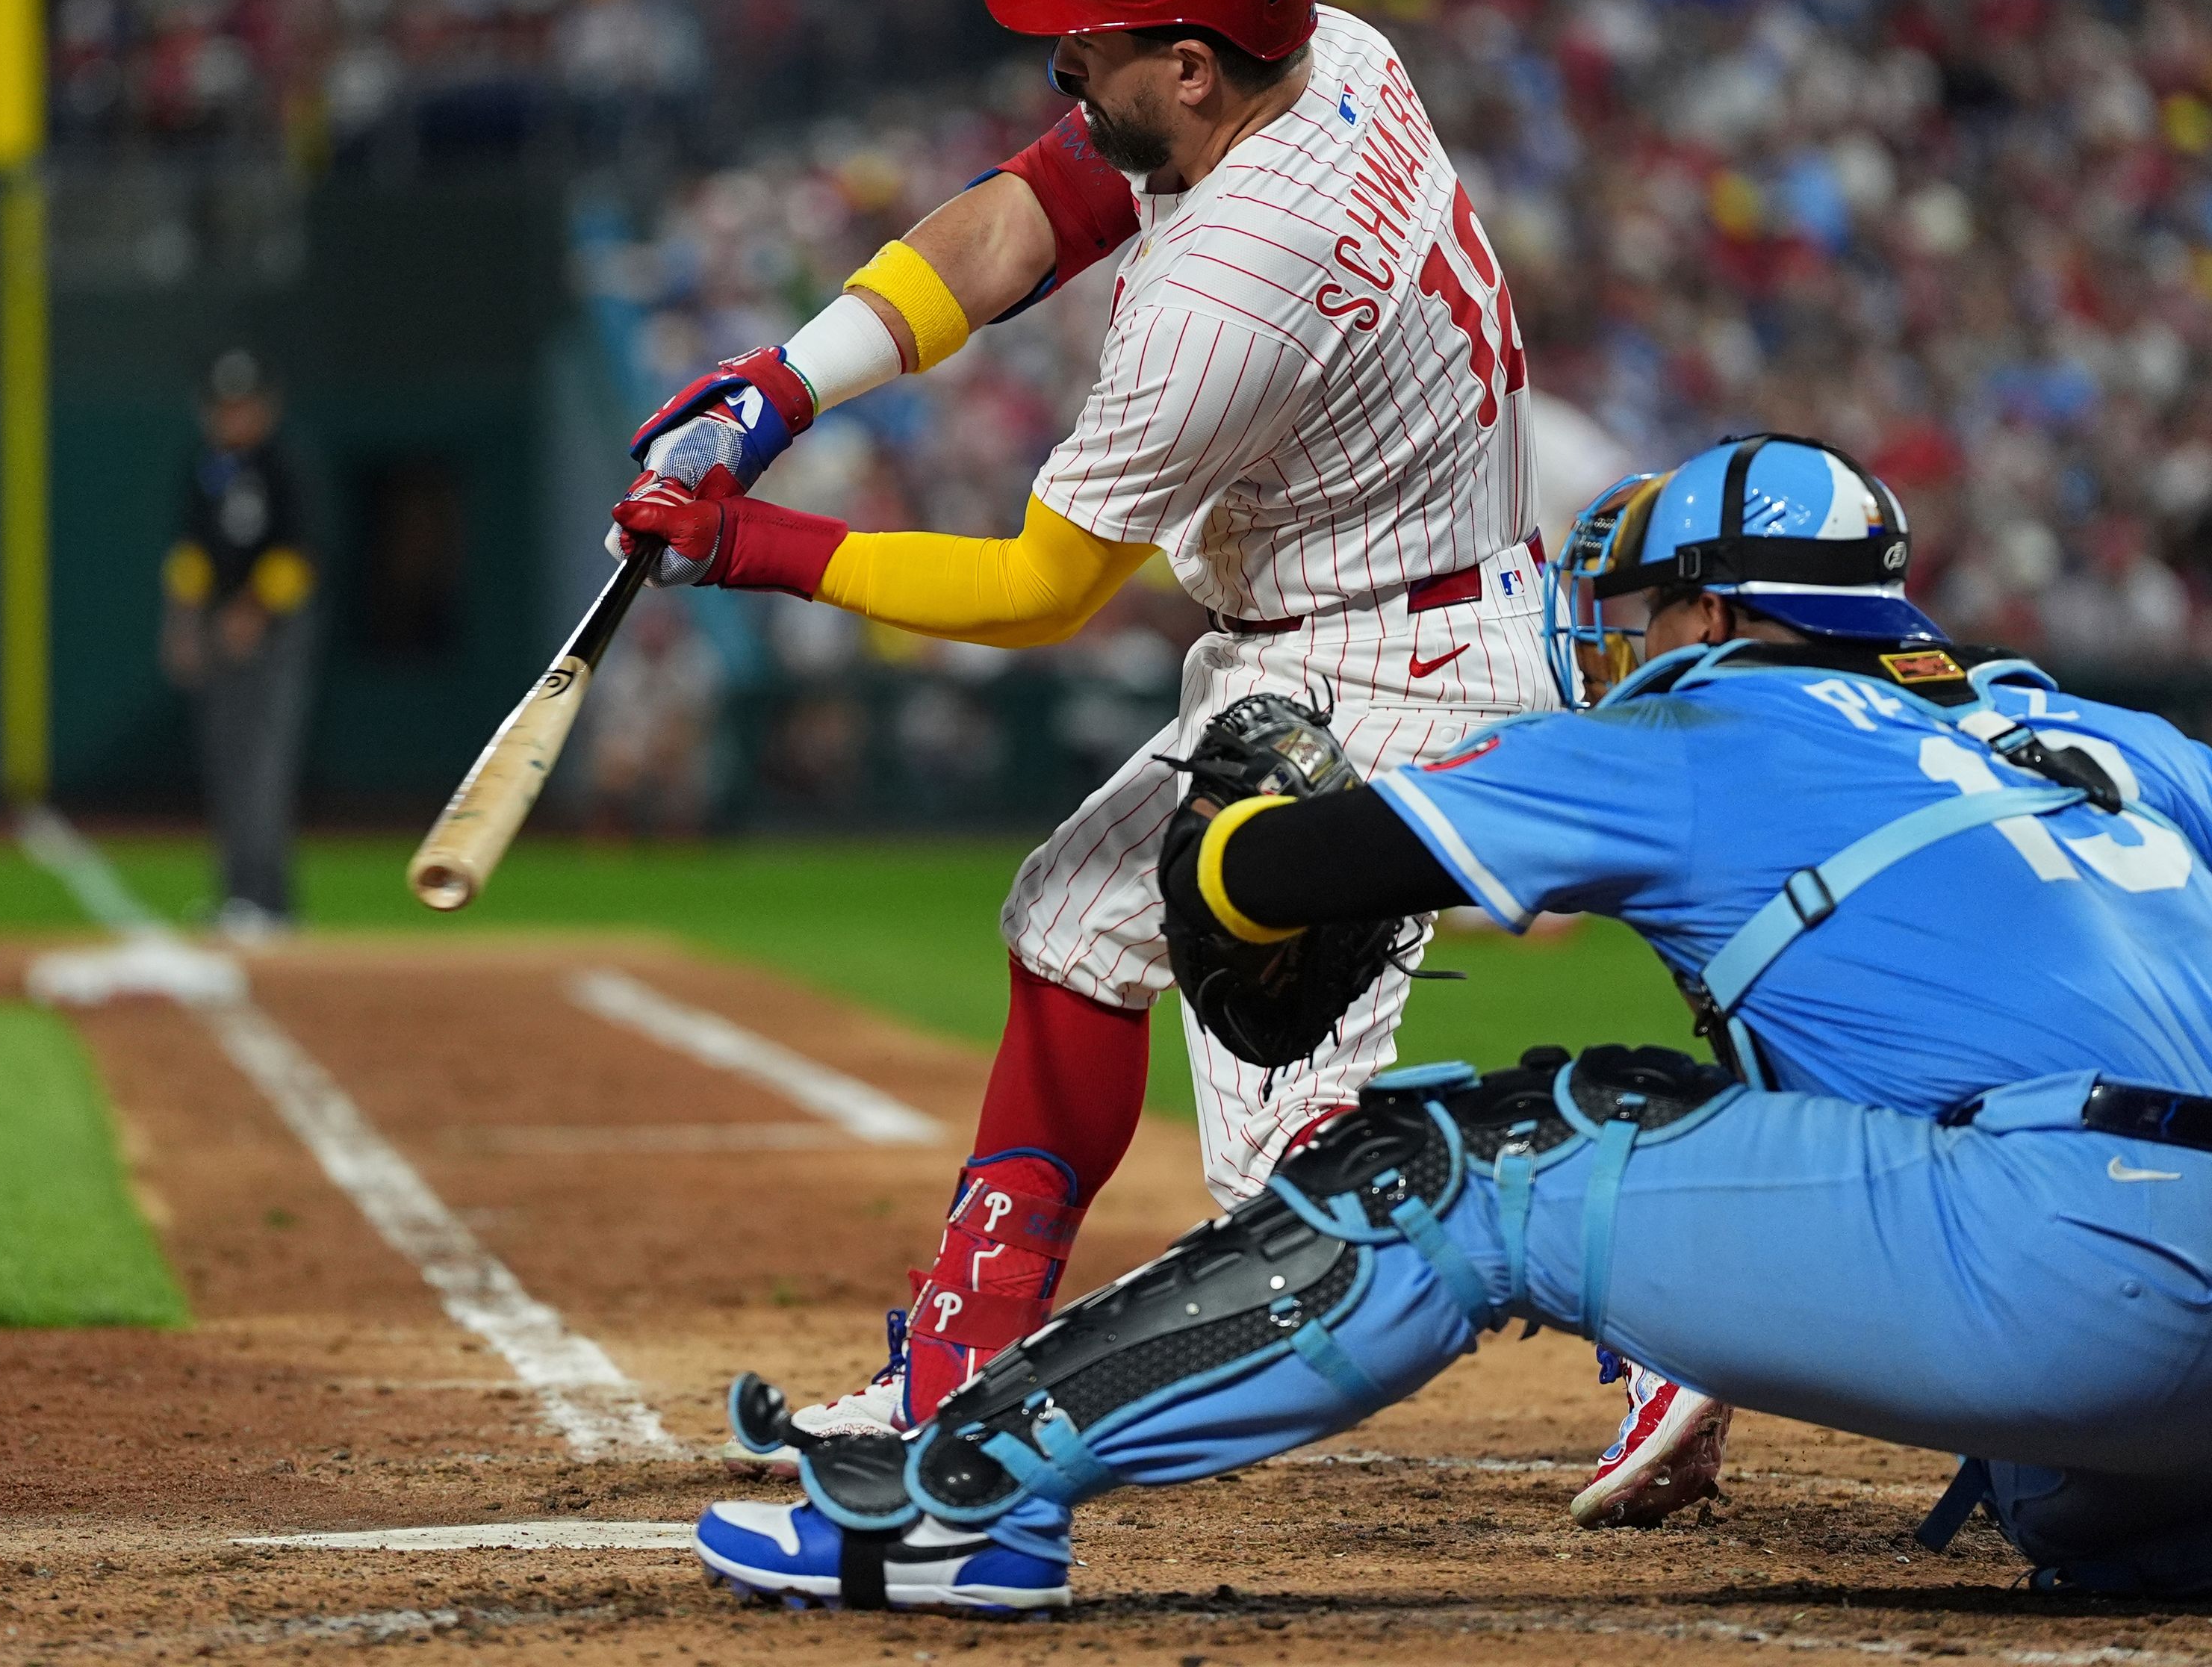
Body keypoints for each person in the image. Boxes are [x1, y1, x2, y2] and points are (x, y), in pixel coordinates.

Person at [609, 0, 1708, 1522]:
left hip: (1370, 668)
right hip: (1376, 613)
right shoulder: (1324, 55)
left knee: (1302, 1200)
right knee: (1069, 916)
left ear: (1187, 66)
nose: (1061, 62)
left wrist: (752, 547)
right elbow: (1023, 215)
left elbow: (1041, 589)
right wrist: (780, 387)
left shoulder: (1224, 284)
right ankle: (956, 1355)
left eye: (1090, 40)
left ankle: (1667, 1311)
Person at [689, 434, 2212, 1611]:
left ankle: (959, 1498)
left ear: (1724, 610)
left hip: (2066, 1261)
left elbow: (1297, 864)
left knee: (1455, 1156)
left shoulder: (1701, 722)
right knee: (2062, 1482)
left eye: (1651, 605)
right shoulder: (2113, 733)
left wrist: (1223, 834)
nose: (1625, 640)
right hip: (2145, 1296)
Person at [161, 349, 319, 940]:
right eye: (224, 406)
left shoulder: (284, 465)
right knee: (226, 764)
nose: (233, 417)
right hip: (219, 630)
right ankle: (238, 896)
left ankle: (270, 901)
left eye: (243, 405)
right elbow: (191, 555)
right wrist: (183, 624)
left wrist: (253, 611)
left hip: (276, 633)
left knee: (262, 767)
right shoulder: (203, 465)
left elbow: (301, 555)